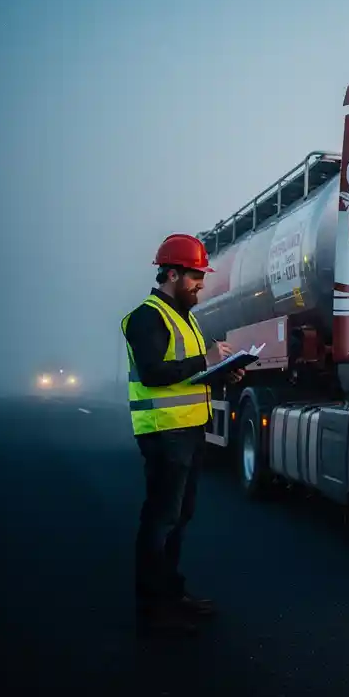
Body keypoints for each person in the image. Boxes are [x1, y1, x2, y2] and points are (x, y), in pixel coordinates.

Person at [121, 233, 244, 637]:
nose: (201, 285)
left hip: (188, 430)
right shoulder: (146, 316)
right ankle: (153, 608)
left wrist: (221, 371)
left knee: (179, 517)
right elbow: (155, 373)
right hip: (163, 433)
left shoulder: (183, 316)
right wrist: (206, 359)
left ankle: (172, 594)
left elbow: (188, 374)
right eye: (195, 276)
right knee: (161, 519)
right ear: (171, 273)